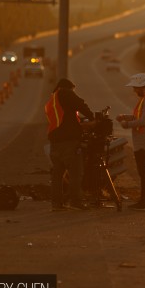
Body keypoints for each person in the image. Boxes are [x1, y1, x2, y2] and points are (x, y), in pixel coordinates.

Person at [45, 78, 95, 211]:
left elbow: (63, 118)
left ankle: (56, 204)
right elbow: (80, 104)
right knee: (76, 173)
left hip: (55, 142)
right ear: (68, 88)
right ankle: (75, 202)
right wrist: (92, 118)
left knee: (57, 175)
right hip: (69, 143)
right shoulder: (66, 93)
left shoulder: (53, 100)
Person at [115, 73, 145, 211]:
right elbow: (139, 116)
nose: (134, 91)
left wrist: (127, 124)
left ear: (141, 87)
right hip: (143, 140)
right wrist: (126, 117)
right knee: (143, 172)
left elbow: (144, 121)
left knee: (144, 172)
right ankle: (144, 200)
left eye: (135, 88)